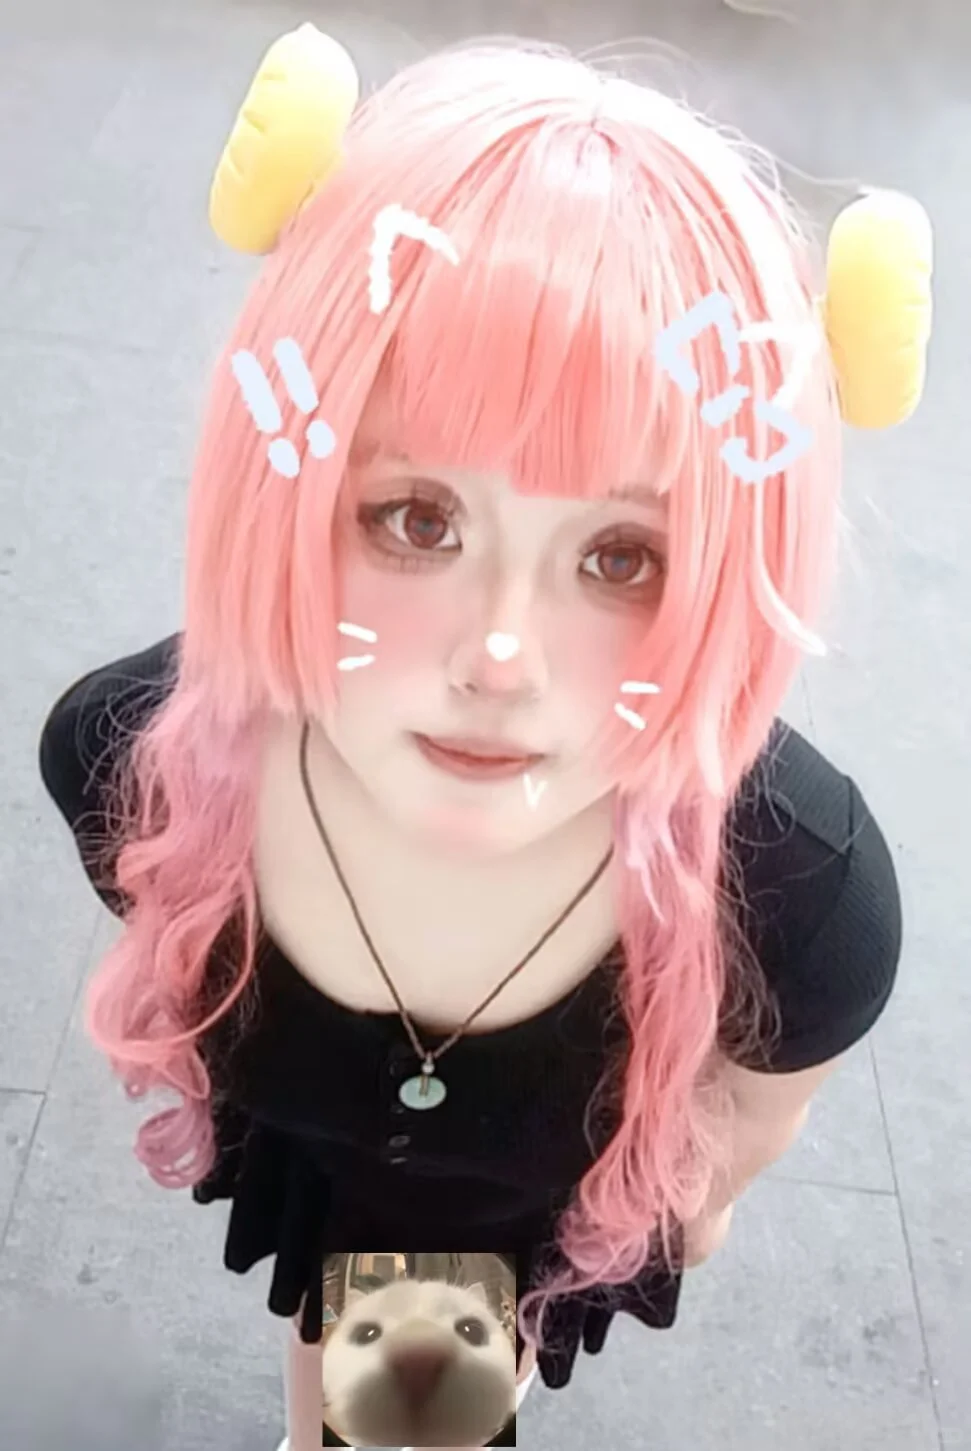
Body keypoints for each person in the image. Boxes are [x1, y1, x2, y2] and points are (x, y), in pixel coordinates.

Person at [37, 24, 932, 1451]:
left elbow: (737, 1142)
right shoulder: (130, 758)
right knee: (346, 1361)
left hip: (531, 1228)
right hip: (319, 1173)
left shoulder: (796, 895)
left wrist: (664, 1205)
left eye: (622, 558)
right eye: (416, 518)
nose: (500, 656)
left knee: (401, 1410)